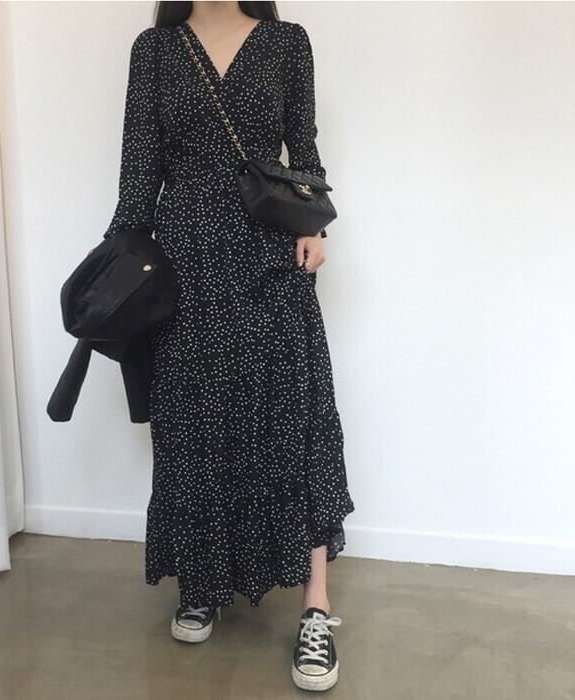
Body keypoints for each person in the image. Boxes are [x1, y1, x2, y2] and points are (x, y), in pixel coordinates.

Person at [103, 1, 355, 691]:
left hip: (268, 255)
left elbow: (303, 147)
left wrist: (315, 226)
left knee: (293, 418)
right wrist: (117, 267)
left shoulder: (287, 43)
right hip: (185, 262)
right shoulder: (155, 51)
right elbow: (138, 170)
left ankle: (315, 606)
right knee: (193, 423)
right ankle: (202, 581)